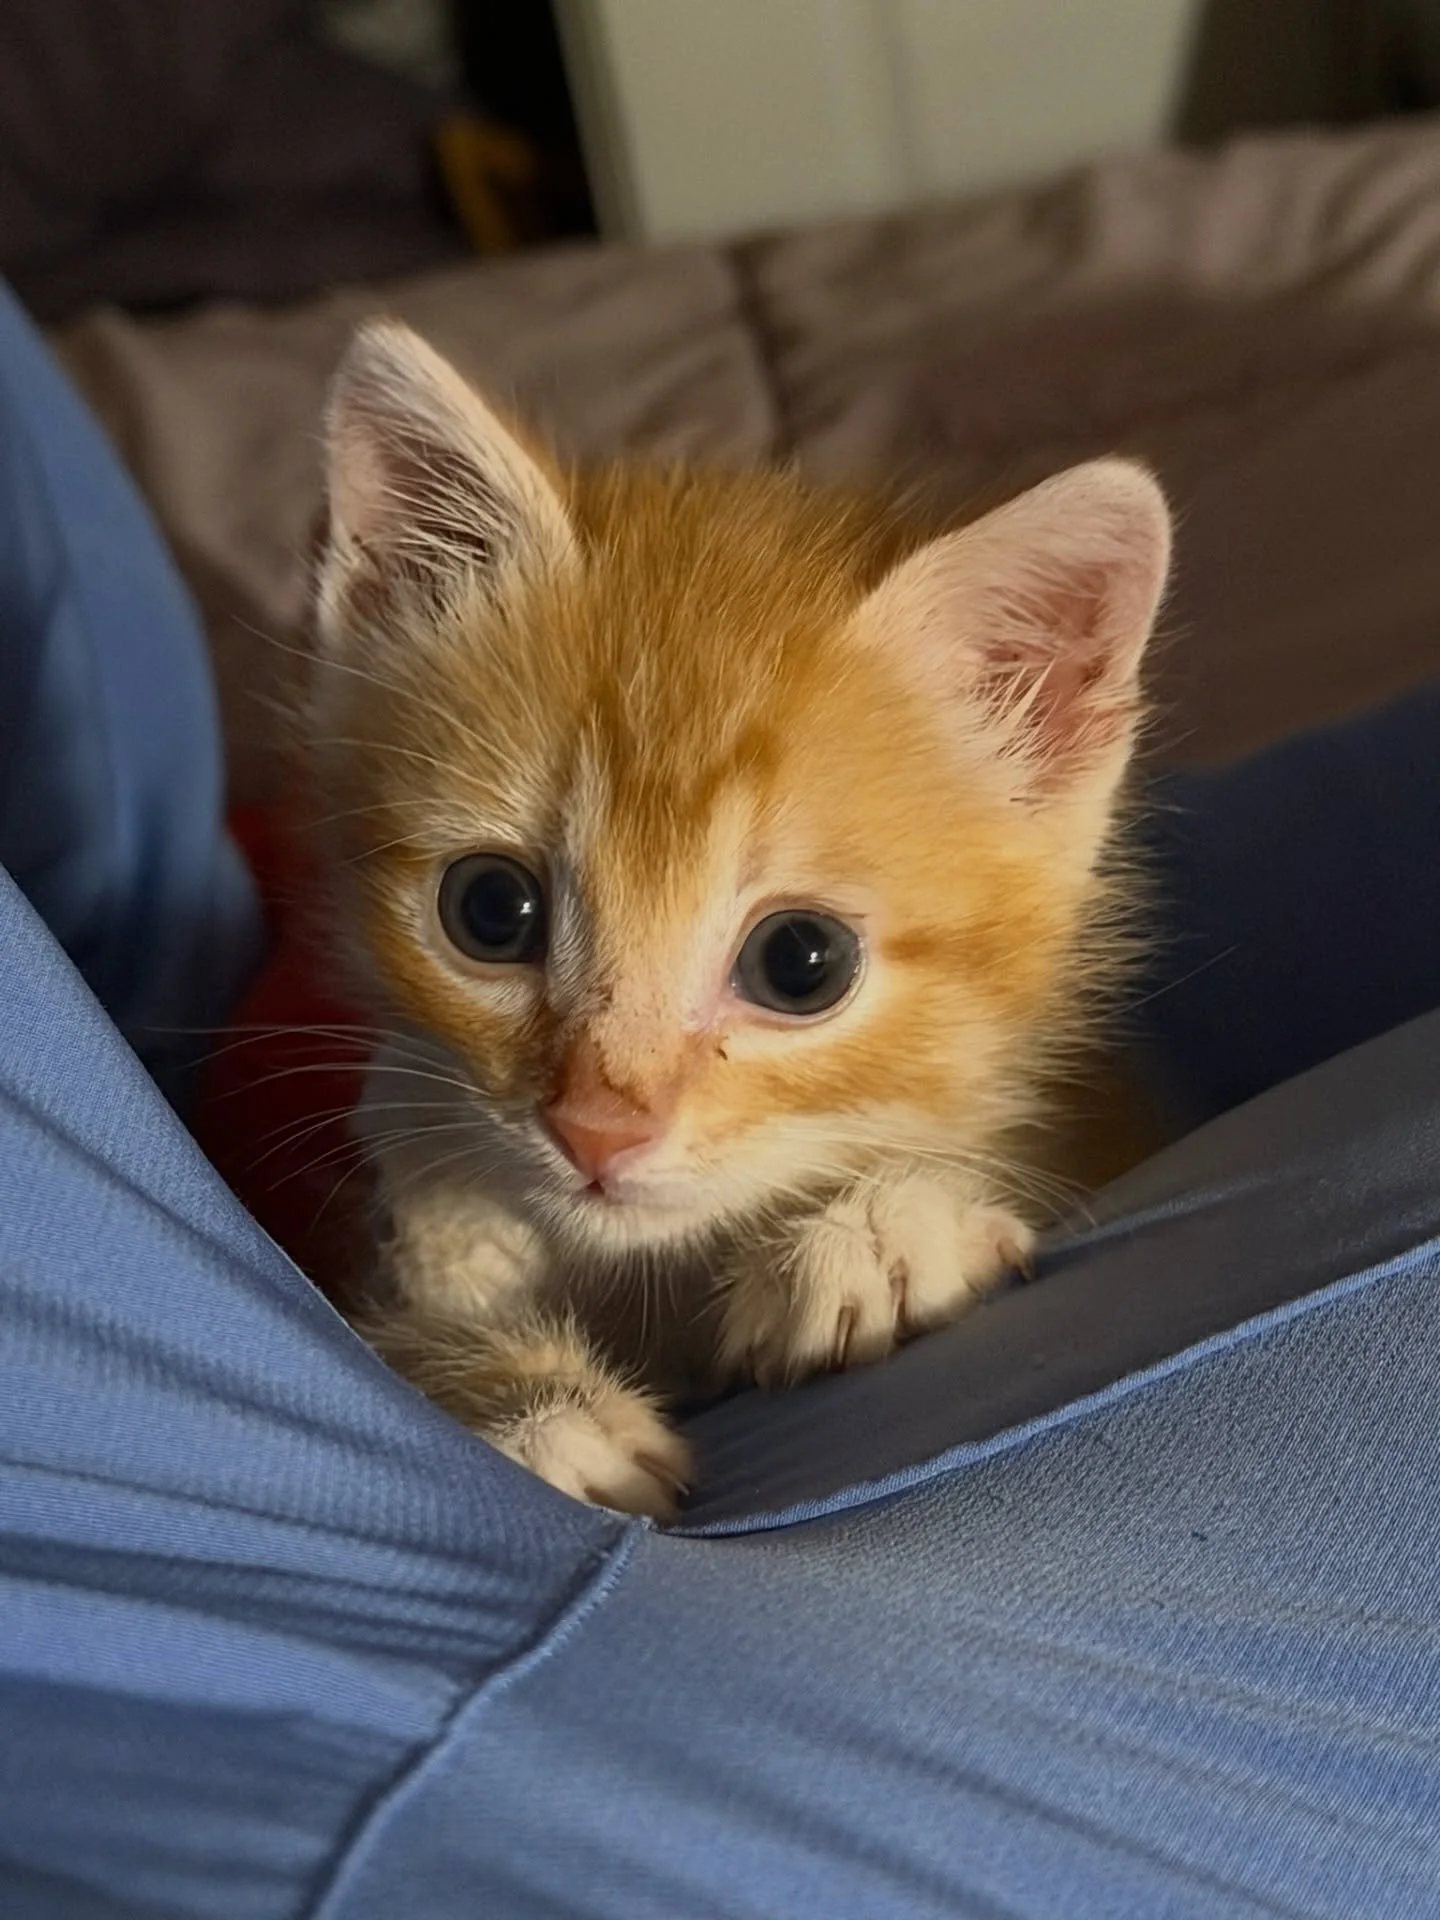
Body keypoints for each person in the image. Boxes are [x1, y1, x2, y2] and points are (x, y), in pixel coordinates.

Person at [2, 278, 1438, 1918]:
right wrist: (485, 1388)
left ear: (1043, 727)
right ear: (382, 607)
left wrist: (917, 1209)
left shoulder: (1004, 1148)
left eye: (799, 962)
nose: (604, 1104)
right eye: (499, 916)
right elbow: (428, 1321)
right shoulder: (430, 1140)